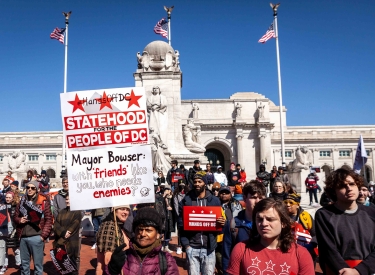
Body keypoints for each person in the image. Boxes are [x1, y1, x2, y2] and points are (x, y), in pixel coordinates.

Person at [227, 198, 315, 275]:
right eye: (260, 219)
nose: (264, 224)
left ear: (283, 223)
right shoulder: (241, 249)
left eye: (270, 219)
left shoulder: (301, 254)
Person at [315, 168, 375, 275]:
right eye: (342, 186)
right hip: (340, 272)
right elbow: (328, 250)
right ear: (334, 191)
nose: (349, 188)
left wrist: (359, 271)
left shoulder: (371, 212)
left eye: (352, 184)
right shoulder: (324, 215)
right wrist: (348, 272)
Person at [107, 207, 179, 275]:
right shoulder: (123, 257)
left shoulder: (167, 260)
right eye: (139, 229)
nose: (143, 234)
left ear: (158, 234)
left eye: (148, 230)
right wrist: (112, 270)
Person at [179, 171, 224, 275]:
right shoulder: (186, 201)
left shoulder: (215, 201)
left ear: (205, 183)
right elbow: (181, 224)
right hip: (192, 247)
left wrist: (222, 223)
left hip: (209, 248)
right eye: (195, 182)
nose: (197, 184)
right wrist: (186, 246)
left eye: (200, 181)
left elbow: (221, 223)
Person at [222, 181, 266, 275]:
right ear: (245, 198)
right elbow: (227, 256)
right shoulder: (233, 224)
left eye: (261, 198)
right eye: (253, 197)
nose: (258, 201)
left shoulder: (269, 224)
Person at [15, 181, 53, 275]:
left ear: (37, 189)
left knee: (38, 266)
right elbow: (15, 217)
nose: (30, 190)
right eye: (28, 188)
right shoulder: (22, 201)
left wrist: (43, 236)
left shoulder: (43, 202)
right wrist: (20, 220)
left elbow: (49, 220)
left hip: (37, 237)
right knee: (24, 266)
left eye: (32, 188)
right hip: (23, 237)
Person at [53, 193, 83, 275]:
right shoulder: (61, 211)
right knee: (63, 266)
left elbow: (74, 225)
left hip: (72, 241)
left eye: (70, 199)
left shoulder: (77, 212)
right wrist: (63, 232)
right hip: (61, 240)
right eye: (66, 199)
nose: (68, 201)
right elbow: (56, 225)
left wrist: (67, 232)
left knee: (72, 266)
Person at [96, 205, 131, 275]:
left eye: (127, 210)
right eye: (122, 209)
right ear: (114, 210)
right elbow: (108, 260)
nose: (125, 212)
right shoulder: (110, 226)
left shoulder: (117, 224)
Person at [216, 186, 242, 275]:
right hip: (218, 237)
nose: (224, 194)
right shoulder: (215, 203)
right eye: (222, 193)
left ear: (230, 194)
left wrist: (226, 223)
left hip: (232, 237)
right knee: (220, 261)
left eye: (226, 193)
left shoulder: (236, 204)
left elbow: (238, 220)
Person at [283, 193, 317, 257]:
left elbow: (316, 234)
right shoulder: (281, 217)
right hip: (287, 252)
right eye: (285, 202)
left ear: (298, 205)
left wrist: (311, 245)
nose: (287, 205)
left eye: (291, 202)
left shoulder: (306, 217)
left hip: (306, 252)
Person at [5, 191, 21, 271]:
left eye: (9, 197)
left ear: (13, 198)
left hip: (14, 231)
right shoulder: (2, 206)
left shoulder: (16, 207)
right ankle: (4, 265)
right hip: (4, 231)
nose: (7, 199)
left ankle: (19, 263)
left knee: (16, 248)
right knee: (4, 250)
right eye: (6, 197)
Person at [173, 180, 189, 255]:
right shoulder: (176, 195)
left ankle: (186, 246)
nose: (182, 186)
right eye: (180, 185)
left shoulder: (188, 194)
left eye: (183, 185)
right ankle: (179, 246)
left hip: (188, 215)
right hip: (180, 216)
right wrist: (179, 214)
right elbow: (176, 205)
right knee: (180, 231)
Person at [161, 184, 174, 253]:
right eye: (165, 190)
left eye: (167, 190)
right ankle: (162, 246)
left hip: (170, 217)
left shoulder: (172, 198)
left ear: (170, 191)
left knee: (168, 232)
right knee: (163, 232)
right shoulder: (162, 198)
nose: (166, 191)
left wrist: (172, 208)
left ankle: (166, 246)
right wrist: (163, 197)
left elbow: (175, 206)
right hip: (164, 218)